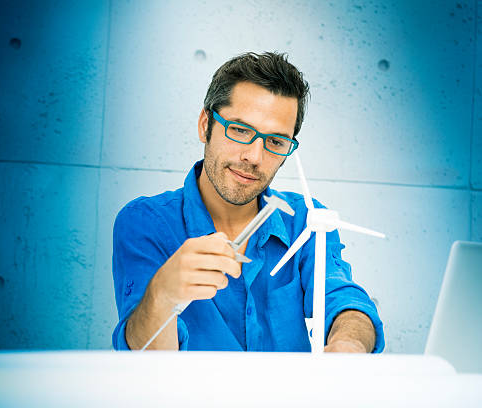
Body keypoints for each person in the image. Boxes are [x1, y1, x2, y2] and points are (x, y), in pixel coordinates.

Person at [111, 52, 384, 352]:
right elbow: (141, 355)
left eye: (276, 141)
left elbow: (343, 299)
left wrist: (349, 343)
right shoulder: (145, 222)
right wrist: (161, 295)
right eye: (240, 130)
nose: (254, 157)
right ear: (205, 125)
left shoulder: (307, 219)